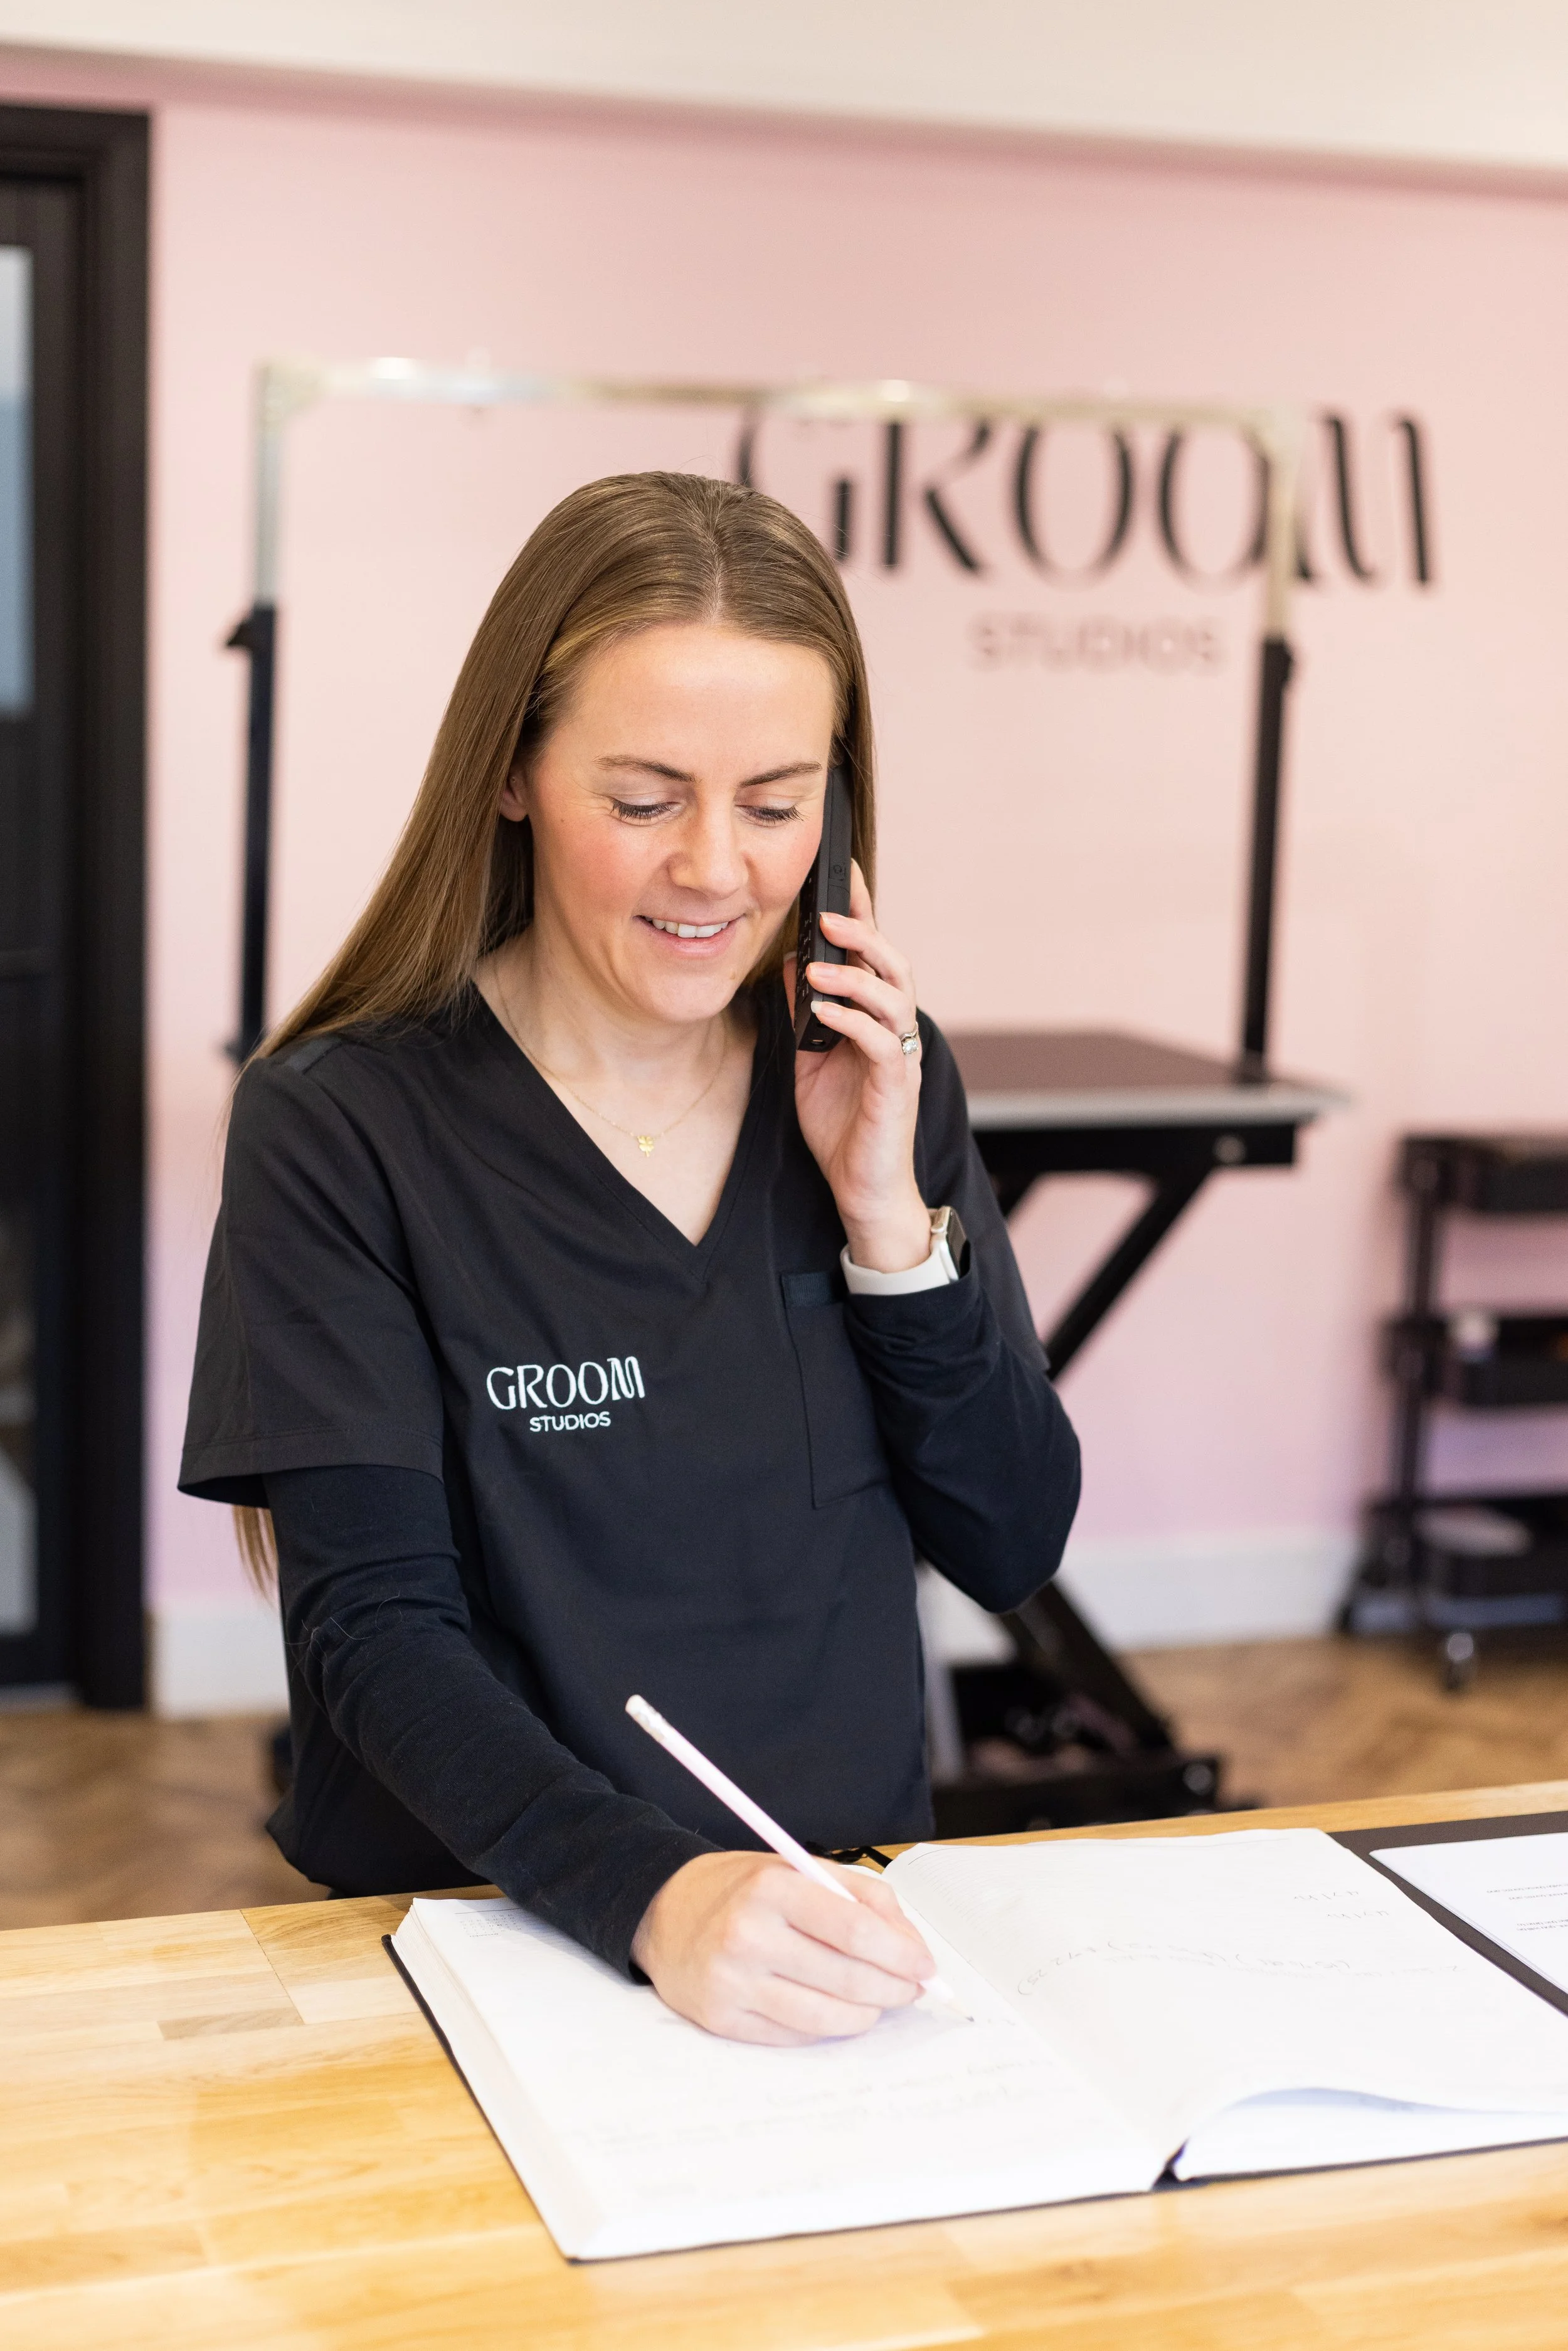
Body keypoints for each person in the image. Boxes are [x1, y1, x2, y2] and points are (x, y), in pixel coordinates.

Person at [181, 472, 1080, 2046]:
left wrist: (886, 1223)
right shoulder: (340, 1124)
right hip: (480, 1935)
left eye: (777, 800)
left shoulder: (873, 1072)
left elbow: (1010, 1538)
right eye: (645, 795)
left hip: (836, 1937)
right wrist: (656, 1895)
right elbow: (374, 1635)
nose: (717, 871)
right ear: (516, 773)